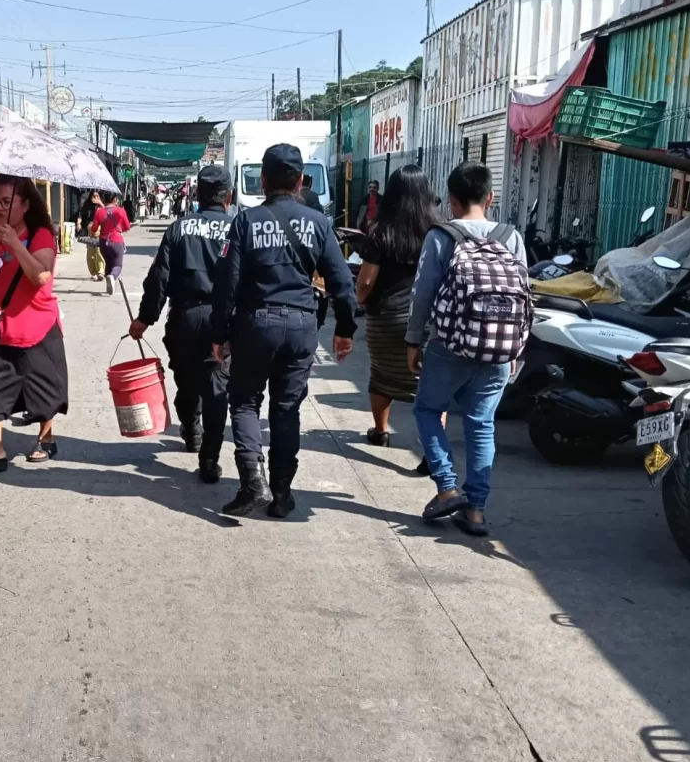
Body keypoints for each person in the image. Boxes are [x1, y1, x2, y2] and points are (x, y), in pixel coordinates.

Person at [211, 143, 358, 518]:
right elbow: (342, 282)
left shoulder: (245, 222)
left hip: (255, 324)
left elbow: (228, 283)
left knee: (244, 400)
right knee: (286, 408)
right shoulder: (320, 223)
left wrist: (219, 332)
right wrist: (345, 329)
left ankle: (252, 481)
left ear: (262, 180)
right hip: (301, 326)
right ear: (300, 182)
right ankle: (281, 494)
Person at [407, 161, 529, 536]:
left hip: (450, 345)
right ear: (490, 198)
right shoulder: (512, 237)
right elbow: (525, 295)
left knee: (428, 409)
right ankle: (475, 511)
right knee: (481, 425)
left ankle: (446, 488)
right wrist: (517, 350)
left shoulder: (441, 236)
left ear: (453, 201)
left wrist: (414, 339)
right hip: (499, 350)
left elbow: (423, 292)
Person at [130, 165, 234, 483]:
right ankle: (210, 459)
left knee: (187, 382)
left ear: (197, 195)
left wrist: (145, 319)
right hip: (224, 322)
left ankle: (192, 430)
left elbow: (159, 279)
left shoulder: (179, 228)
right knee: (217, 389)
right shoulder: (239, 227)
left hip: (186, 319)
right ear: (228, 196)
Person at [0, 175, 68, 475]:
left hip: (37, 325)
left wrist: (14, 244)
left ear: (25, 204)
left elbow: (40, 277)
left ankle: (46, 438)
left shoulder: (40, 236)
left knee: (44, 389)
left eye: (6, 202)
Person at [354, 165, 441, 469]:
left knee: (382, 377)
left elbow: (365, 282)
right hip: (429, 319)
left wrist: (360, 301)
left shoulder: (381, 231)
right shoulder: (439, 230)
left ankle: (380, 432)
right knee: (431, 386)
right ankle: (432, 449)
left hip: (387, 318)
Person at [92, 191, 131, 296]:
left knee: (108, 263)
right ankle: (112, 277)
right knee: (117, 265)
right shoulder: (120, 211)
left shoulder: (99, 212)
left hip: (103, 242)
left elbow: (94, 228)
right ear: (114, 200)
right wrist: (119, 228)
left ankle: (109, 286)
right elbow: (127, 227)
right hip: (116, 241)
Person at [77, 191, 105, 281]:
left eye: (97, 196)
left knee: (99, 252)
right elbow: (81, 215)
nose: (95, 198)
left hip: (100, 230)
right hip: (90, 230)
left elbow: (108, 214)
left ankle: (101, 272)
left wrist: (100, 204)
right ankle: (93, 272)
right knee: (90, 253)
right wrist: (78, 223)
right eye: (94, 196)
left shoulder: (102, 207)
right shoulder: (87, 206)